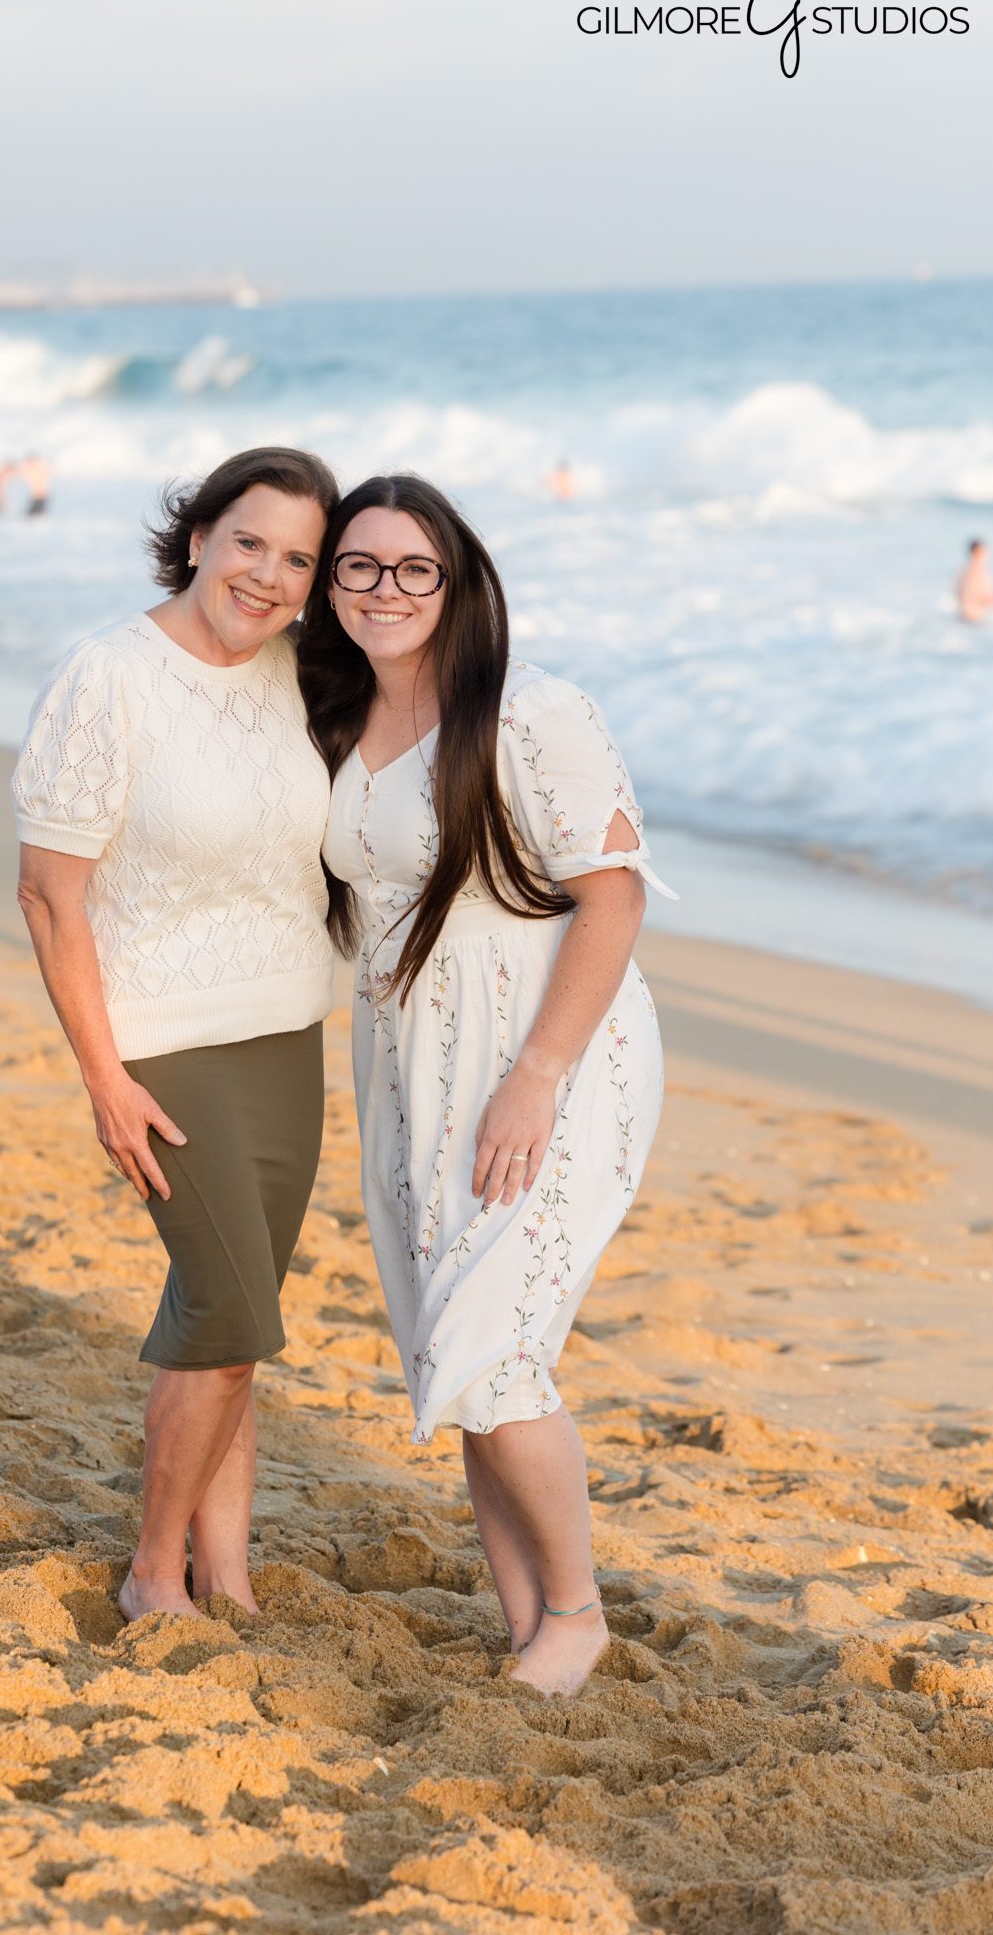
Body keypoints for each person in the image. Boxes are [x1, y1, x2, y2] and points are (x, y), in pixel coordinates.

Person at [299, 474, 675, 1698]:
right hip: (411, 1063)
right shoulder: (334, 716)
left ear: (459, 585)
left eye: (415, 568)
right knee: (452, 1352)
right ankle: (533, 1630)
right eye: (358, 565)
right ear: (328, 584)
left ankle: (577, 1611)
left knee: (493, 1339)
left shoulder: (530, 711)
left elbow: (611, 897)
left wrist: (540, 1076)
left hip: (548, 1049)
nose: (386, 589)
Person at [12, 447, 338, 1622]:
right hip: (165, 1040)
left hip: (286, 1031)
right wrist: (104, 1076)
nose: (267, 573)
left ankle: (230, 1571)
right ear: (198, 534)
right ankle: (155, 1566)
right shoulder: (108, 675)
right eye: (249, 540)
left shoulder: (300, 672)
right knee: (231, 1309)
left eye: (297, 557)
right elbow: (51, 892)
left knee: (225, 1330)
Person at [956, 538, 993, 623]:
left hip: (963, 617)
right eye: (985, 551)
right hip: (974, 618)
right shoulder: (978, 572)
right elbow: (978, 598)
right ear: (978, 552)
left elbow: (959, 594)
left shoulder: (963, 571)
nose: (987, 555)